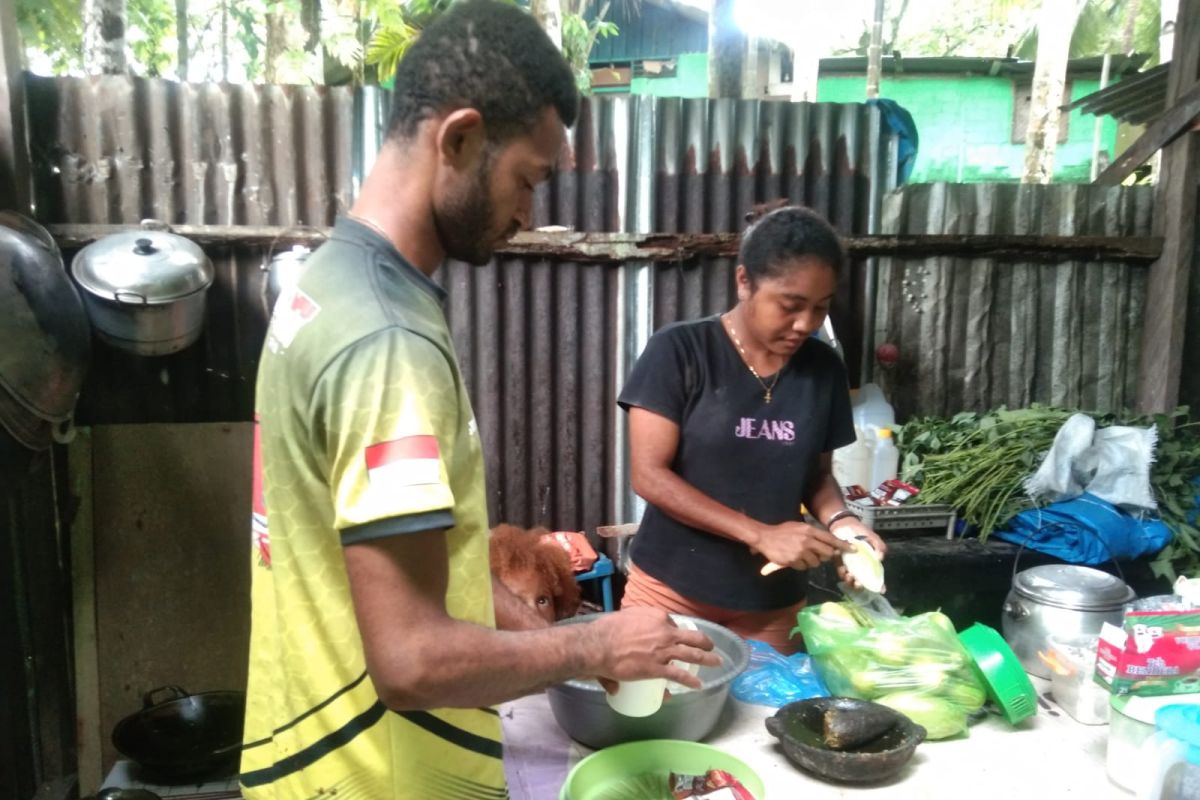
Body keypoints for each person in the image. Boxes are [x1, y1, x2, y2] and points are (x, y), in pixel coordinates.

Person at [240, 3, 718, 798]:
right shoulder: (386, 341)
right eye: (526, 178)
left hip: (313, 751)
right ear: (459, 138)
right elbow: (411, 660)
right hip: (376, 775)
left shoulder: (329, 285)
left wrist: (546, 636)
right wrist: (592, 647)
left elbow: (434, 562)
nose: (529, 213)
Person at [617, 205, 887, 656]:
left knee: (760, 724)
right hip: (671, 590)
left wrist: (845, 525)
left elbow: (817, 477)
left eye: (820, 308)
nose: (805, 324)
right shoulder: (681, 351)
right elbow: (649, 475)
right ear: (744, 281)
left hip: (771, 607)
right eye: (790, 305)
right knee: (656, 713)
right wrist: (761, 534)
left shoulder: (824, 369)